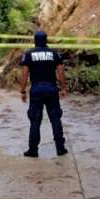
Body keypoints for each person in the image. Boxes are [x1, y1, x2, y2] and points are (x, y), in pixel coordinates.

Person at [19, 30, 68, 158]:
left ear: (34, 40)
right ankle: (60, 148)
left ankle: (33, 150)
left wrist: (23, 91)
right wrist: (63, 88)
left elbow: (25, 74)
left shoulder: (28, 54)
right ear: (46, 40)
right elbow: (61, 72)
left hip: (36, 91)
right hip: (52, 89)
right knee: (55, 118)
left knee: (35, 120)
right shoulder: (54, 53)